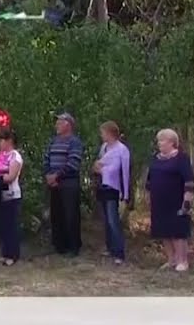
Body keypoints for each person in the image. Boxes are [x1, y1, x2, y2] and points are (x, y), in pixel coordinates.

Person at [146, 129, 194, 272]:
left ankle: (182, 261)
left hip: (176, 200)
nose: (159, 143)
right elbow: (149, 179)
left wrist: (187, 202)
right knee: (164, 230)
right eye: (159, 140)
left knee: (178, 231)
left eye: (162, 140)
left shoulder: (181, 159)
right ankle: (171, 259)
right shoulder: (155, 159)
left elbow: (189, 181)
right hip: (159, 201)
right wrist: (148, 196)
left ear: (172, 142)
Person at [43, 112, 84, 257]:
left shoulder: (74, 142)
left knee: (70, 214)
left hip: (68, 182)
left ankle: (73, 247)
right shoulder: (53, 141)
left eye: (59, 123)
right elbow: (46, 158)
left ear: (68, 125)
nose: (57, 125)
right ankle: (59, 245)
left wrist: (57, 176)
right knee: (56, 214)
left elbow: (73, 163)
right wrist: (48, 174)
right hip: (53, 182)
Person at [93, 121, 131, 265]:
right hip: (102, 186)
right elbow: (97, 164)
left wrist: (125, 194)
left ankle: (119, 252)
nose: (101, 135)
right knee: (106, 220)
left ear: (110, 133)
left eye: (103, 133)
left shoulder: (122, 150)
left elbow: (123, 171)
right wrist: (98, 168)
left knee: (113, 219)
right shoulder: (104, 147)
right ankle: (110, 247)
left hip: (114, 187)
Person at [0, 130, 24, 265]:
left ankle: (13, 254)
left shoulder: (15, 156)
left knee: (11, 225)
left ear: (9, 141)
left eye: (2, 140)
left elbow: (11, 176)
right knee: (2, 225)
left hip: (11, 194)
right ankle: (5, 252)